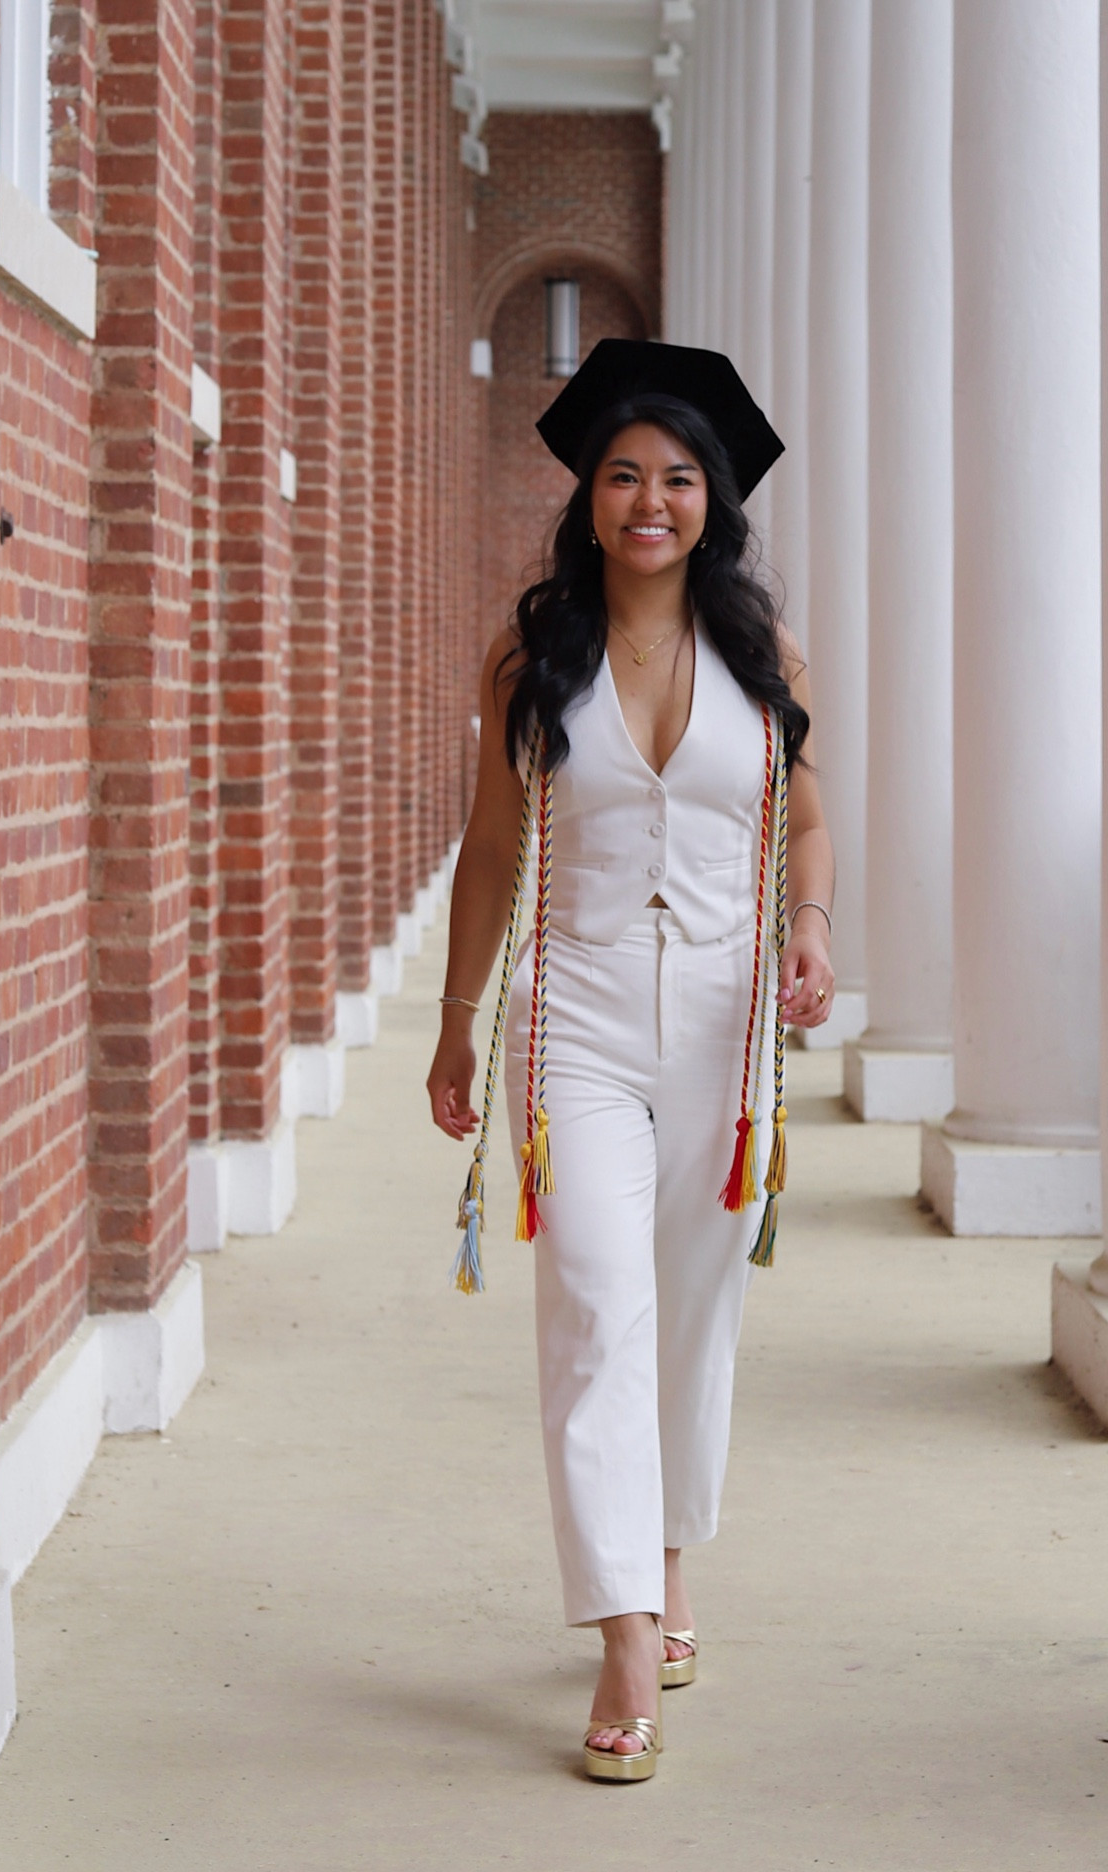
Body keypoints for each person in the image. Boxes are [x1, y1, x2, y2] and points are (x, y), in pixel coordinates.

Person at [425, 340, 835, 1782]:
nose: (649, 501)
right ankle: (619, 1628)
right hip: (578, 1015)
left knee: (691, 1311)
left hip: (727, 1032)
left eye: (676, 478)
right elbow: (491, 851)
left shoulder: (766, 657)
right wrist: (454, 1017)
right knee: (598, 1302)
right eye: (623, 475)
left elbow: (799, 822)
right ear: (587, 496)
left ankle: (666, 1558)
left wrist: (814, 932)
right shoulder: (531, 655)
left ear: (712, 502)